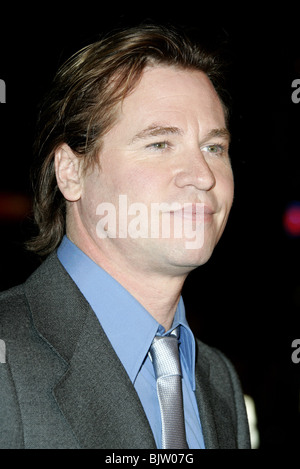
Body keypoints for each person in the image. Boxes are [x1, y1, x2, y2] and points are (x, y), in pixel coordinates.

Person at [0, 24, 250, 449]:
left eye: (214, 148)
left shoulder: (217, 378)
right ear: (71, 172)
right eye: (159, 144)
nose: (204, 176)